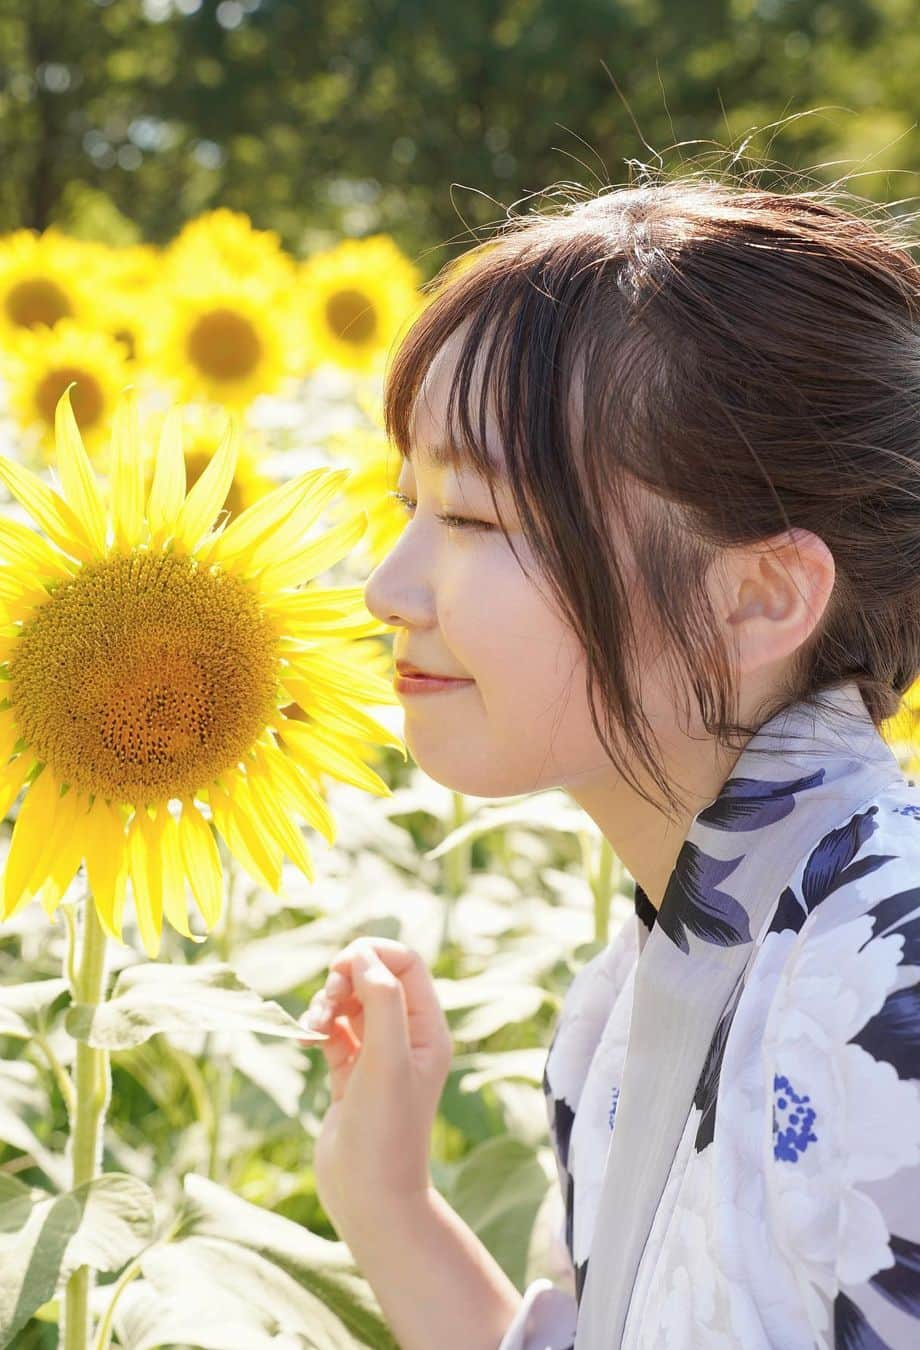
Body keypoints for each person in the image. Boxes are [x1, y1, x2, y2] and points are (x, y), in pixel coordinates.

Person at [295, 176, 920, 1348]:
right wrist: (386, 1203)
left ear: (757, 599)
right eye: (408, 506)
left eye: (474, 520)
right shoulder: (651, 983)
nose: (388, 589)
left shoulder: (891, 983)